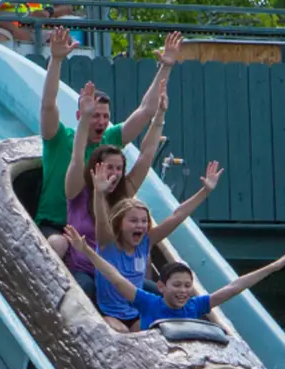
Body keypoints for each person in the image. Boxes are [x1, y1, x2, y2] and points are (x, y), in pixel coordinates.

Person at [36, 26, 183, 261]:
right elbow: (47, 105)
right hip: (55, 224)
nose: (102, 121)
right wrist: (56, 60)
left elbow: (146, 111)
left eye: (106, 116)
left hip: (93, 230)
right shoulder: (60, 137)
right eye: (95, 115)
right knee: (58, 244)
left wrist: (165, 67)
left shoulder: (110, 141)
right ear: (80, 115)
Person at [65, 231, 285, 331]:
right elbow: (116, 278)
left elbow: (235, 286)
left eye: (187, 286)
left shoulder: (195, 306)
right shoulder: (149, 302)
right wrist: (87, 251)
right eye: (177, 285)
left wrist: (274, 266)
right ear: (161, 287)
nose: (183, 291)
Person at [86, 163, 220, 332]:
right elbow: (101, 220)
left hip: (136, 312)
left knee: (153, 330)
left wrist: (205, 191)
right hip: (110, 313)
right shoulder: (108, 243)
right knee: (122, 332)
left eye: (144, 221)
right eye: (133, 221)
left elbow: (178, 215)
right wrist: (99, 193)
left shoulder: (145, 242)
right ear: (119, 223)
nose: (140, 225)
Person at [57, 102, 167, 295]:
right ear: (96, 167)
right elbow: (77, 157)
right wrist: (85, 119)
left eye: (119, 169)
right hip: (84, 271)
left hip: (117, 275)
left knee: (154, 294)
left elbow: (146, 156)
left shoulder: (123, 194)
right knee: (87, 289)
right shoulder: (76, 191)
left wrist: (159, 117)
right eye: (109, 167)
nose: (115, 173)